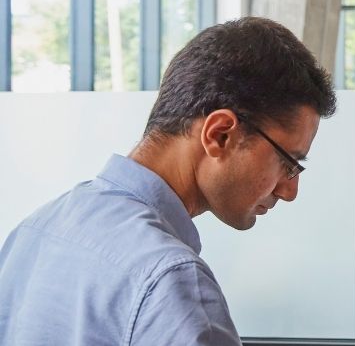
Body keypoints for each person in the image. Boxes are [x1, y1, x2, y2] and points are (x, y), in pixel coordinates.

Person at [0, 17, 336, 345]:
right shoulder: (170, 280)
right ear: (220, 135)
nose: (289, 190)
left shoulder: (33, 232)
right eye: (287, 162)